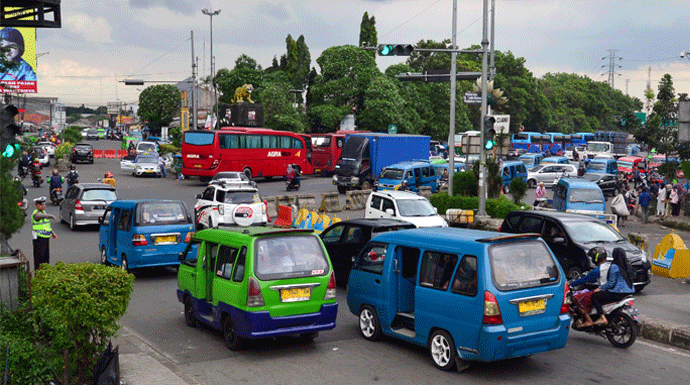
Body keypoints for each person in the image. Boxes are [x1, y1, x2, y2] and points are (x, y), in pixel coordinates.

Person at [589, 247, 635, 326]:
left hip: (618, 293)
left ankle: (602, 317)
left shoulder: (614, 266)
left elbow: (611, 283)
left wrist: (600, 288)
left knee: (594, 296)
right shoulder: (628, 266)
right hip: (630, 291)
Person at [570, 247, 611, 328]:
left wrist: (571, 284)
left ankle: (589, 320)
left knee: (578, 299)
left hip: (603, 290)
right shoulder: (609, 265)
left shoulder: (597, 270)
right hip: (610, 289)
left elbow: (584, 279)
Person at [31, 196, 57, 271]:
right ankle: (38, 276)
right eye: (41, 204)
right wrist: (51, 216)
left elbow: (47, 225)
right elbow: (41, 216)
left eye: (44, 204)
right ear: (36, 205)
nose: (43, 206)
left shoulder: (44, 212)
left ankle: (46, 273)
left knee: (46, 258)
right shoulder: (36, 214)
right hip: (39, 239)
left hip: (45, 238)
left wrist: (52, 233)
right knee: (39, 259)